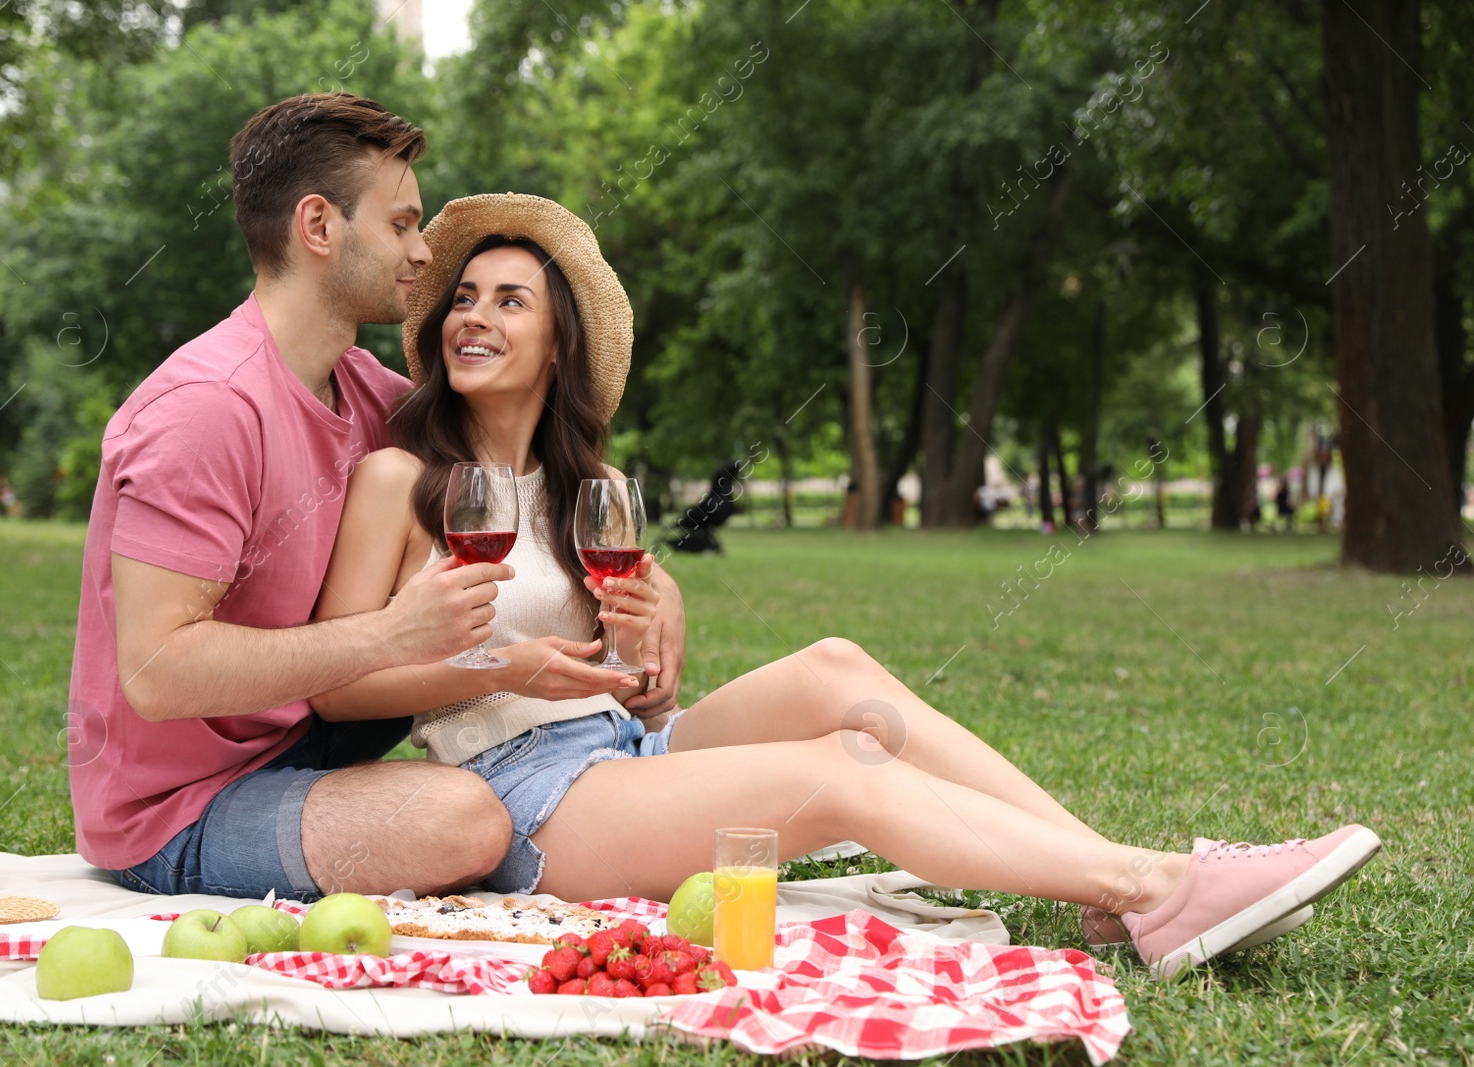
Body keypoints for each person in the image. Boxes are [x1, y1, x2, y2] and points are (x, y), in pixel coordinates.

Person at [312, 193, 1380, 978]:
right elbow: (335, 686)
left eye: (510, 300)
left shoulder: (584, 485)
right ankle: (1149, 890)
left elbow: (628, 663)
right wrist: (498, 669)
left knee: (838, 671)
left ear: (556, 345)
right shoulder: (400, 480)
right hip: (531, 796)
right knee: (845, 767)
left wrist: (646, 643)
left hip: (624, 746)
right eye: (462, 299)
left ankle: (1109, 870)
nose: (474, 316)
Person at [65, 95, 687, 904]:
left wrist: (655, 585)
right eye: (401, 224)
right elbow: (156, 670)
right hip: (180, 809)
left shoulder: (368, 395)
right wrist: (389, 634)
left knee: (465, 815)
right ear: (319, 227)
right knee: (461, 820)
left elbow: (528, 464)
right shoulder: (203, 408)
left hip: (308, 760)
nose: (424, 252)